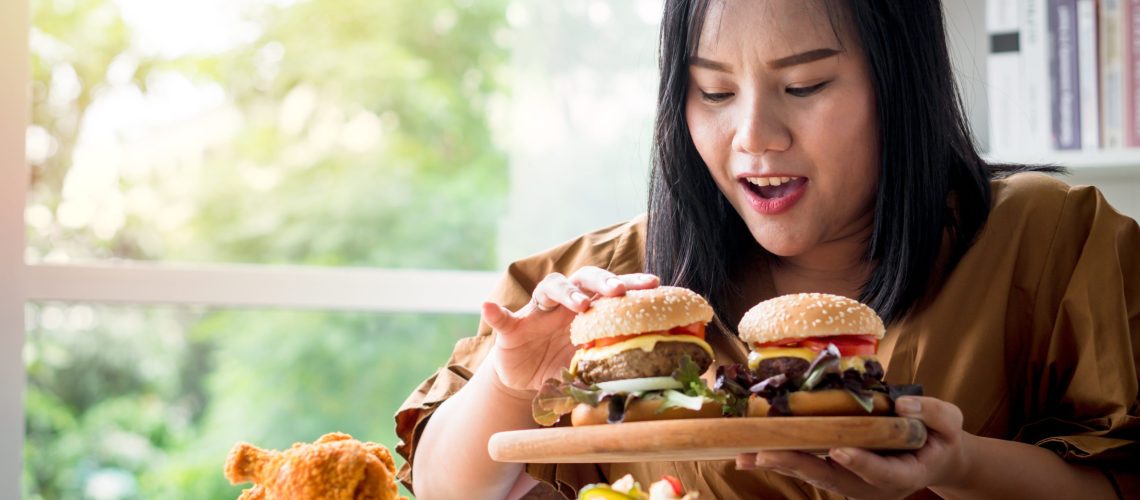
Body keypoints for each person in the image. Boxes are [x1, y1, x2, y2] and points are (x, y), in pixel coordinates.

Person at [397, 1, 1140, 498]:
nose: (754, 136)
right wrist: (510, 379)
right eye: (714, 93)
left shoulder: (1050, 237)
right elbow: (440, 486)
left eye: (805, 84)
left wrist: (961, 467)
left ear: (899, 84)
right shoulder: (612, 285)